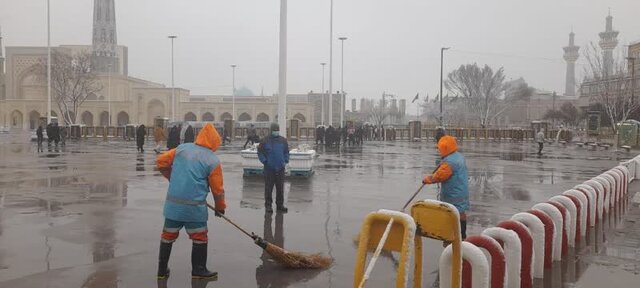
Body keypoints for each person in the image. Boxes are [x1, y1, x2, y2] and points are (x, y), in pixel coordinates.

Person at [155, 123, 226, 280]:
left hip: (173, 207)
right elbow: (217, 190)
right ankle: (198, 270)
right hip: (194, 209)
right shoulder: (212, 160)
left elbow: (161, 161)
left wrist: (172, 178)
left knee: (167, 236)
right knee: (199, 237)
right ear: (214, 141)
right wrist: (220, 208)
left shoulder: (182, 149)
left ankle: (161, 271)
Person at [422, 135, 469, 240]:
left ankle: (452, 235)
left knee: (451, 212)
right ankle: (462, 235)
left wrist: (427, 179)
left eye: (440, 149)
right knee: (461, 212)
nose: (439, 151)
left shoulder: (449, 162)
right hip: (462, 190)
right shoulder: (458, 156)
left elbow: (439, 176)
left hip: (453, 193)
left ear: (445, 148)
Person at [258, 123, 289, 214]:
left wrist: (285, 160)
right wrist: (265, 161)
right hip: (269, 169)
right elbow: (260, 152)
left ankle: (280, 205)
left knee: (280, 188)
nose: (276, 131)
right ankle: (268, 205)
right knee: (269, 188)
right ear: (271, 130)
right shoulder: (265, 140)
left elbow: (286, 152)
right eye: (274, 130)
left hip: (280, 169)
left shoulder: (283, 140)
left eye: (277, 130)